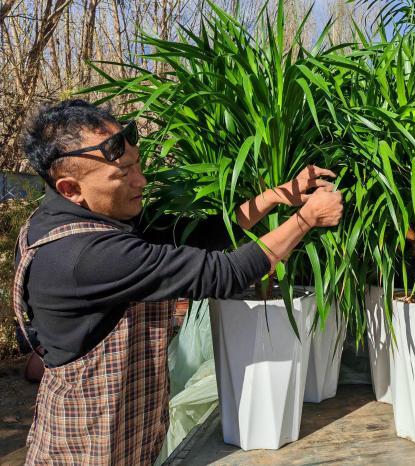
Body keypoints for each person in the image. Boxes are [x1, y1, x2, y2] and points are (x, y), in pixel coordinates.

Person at [13, 99, 343, 464]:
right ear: (70, 187)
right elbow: (223, 273)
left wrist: (277, 196)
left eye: (138, 164)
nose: (141, 181)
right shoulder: (84, 256)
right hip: (86, 448)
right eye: (123, 173)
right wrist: (306, 220)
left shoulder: (83, 217)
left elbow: (197, 235)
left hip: (125, 436)